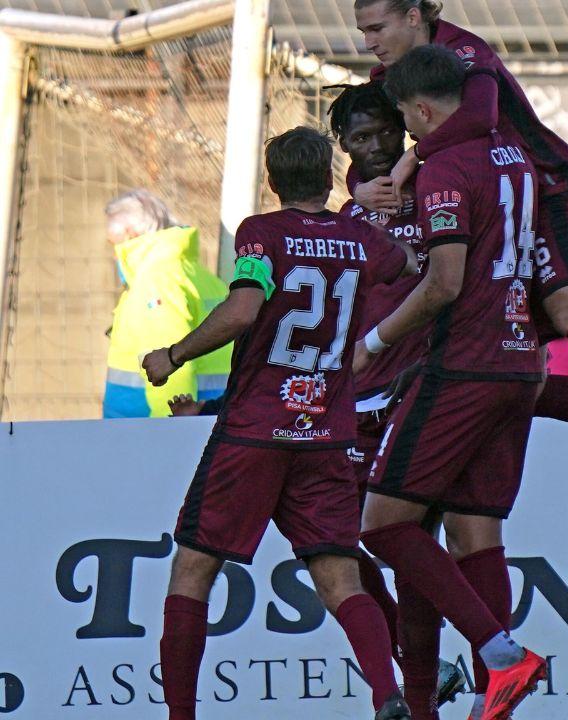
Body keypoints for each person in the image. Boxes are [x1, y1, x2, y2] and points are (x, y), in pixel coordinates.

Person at [350, 0, 568, 476]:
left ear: (414, 17)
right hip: (484, 217)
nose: (369, 42)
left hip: (542, 197)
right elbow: (374, 142)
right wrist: (360, 185)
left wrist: (413, 159)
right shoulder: (387, 78)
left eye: (377, 28)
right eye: (363, 31)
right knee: (510, 371)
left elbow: (477, 118)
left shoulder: (466, 55)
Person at [140, 127, 418, 720]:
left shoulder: (260, 233)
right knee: (339, 574)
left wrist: (174, 355)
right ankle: (386, 692)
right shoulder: (358, 236)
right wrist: (363, 214)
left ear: (271, 181)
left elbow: (243, 310)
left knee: (193, 568)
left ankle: (180, 716)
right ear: (327, 176)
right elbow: (408, 262)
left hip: (255, 428)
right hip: (329, 431)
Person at [354, 45, 547, 720]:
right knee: (475, 533)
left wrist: (374, 341)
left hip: (463, 365)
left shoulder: (445, 169)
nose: (406, 133)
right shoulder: (511, 154)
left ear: (425, 109)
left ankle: (501, 655)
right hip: (522, 361)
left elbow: (444, 283)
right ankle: (496, 698)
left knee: (382, 525)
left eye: (406, 119)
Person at [103, 190, 231, 418]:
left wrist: (169, 432)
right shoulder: (193, 273)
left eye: (114, 244)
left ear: (129, 234)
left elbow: (171, 373)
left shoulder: (157, 281)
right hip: (209, 422)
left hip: (147, 434)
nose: (115, 255)